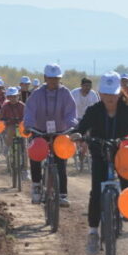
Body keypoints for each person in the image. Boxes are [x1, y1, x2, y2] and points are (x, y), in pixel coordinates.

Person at [73, 72, 128, 255]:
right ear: (100, 93)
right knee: (96, 192)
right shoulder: (94, 110)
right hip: (99, 151)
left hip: (122, 152)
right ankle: (93, 232)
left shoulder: (126, 109)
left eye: (113, 94)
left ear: (118, 93)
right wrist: (76, 134)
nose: (109, 98)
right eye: (106, 94)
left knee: (127, 183)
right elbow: (81, 126)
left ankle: (124, 211)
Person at [23, 64, 77, 206]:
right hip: (39, 131)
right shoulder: (37, 94)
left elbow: (70, 111)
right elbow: (30, 110)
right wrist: (29, 125)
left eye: (56, 78)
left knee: (61, 163)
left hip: (60, 132)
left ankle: (63, 194)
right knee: (35, 155)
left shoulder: (65, 93)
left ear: (60, 79)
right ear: (45, 78)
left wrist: (72, 125)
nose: (54, 81)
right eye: (51, 78)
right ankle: (36, 186)